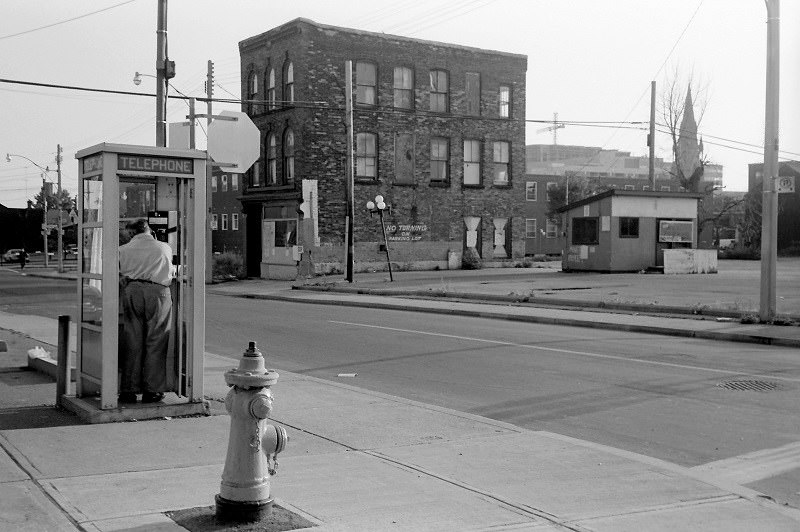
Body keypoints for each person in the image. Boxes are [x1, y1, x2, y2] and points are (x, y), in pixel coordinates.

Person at [118, 219, 175, 403]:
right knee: (156, 341)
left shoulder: (123, 249)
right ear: (149, 230)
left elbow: (119, 271)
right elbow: (170, 269)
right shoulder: (164, 247)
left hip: (132, 291)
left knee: (132, 340)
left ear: (131, 233)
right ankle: (153, 390)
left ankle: (128, 389)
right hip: (158, 292)